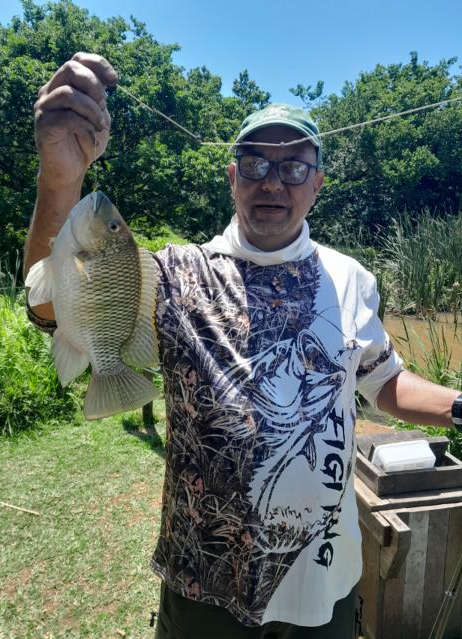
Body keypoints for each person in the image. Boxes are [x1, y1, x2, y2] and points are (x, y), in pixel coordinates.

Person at [24, 53, 462, 639]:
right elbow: (49, 306)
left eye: (295, 167)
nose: (273, 182)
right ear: (232, 178)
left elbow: (383, 382)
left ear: (318, 183)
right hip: (203, 581)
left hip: (324, 577)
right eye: (255, 164)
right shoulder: (176, 273)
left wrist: (459, 406)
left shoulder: (352, 278)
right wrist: (60, 180)